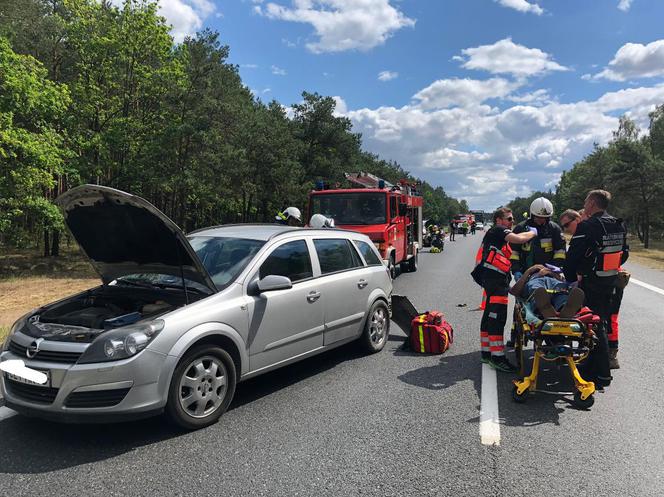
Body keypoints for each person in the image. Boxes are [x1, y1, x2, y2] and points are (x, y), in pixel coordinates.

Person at [563, 190, 629, 387]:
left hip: (592, 284)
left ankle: (601, 374)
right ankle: (591, 366)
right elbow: (624, 254)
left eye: (586, 201)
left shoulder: (587, 226)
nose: (585, 203)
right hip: (611, 282)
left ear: (592, 203)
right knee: (602, 323)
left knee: (593, 326)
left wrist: (571, 281)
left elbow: (572, 259)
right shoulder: (619, 224)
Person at [471, 207, 537, 372]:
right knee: (497, 318)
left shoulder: (496, 234)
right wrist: (533, 233)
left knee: (489, 316)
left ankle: (487, 354)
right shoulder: (498, 230)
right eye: (509, 219)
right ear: (499, 220)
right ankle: (498, 358)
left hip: (492, 279)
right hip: (495, 280)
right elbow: (518, 239)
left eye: (512, 219)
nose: (512, 222)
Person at [510, 197, 567, 280]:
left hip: (548, 273)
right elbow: (513, 252)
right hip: (525, 273)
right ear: (532, 215)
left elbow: (560, 252)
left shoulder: (554, 229)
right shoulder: (521, 228)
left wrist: (553, 268)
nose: (541, 220)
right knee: (530, 290)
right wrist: (516, 270)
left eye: (544, 217)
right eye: (538, 217)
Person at [509, 264, 585, 319]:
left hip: (553, 281)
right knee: (537, 288)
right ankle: (543, 310)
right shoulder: (529, 276)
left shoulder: (553, 274)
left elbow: (564, 282)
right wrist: (530, 270)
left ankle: (563, 310)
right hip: (535, 280)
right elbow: (514, 291)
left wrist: (551, 273)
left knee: (561, 289)